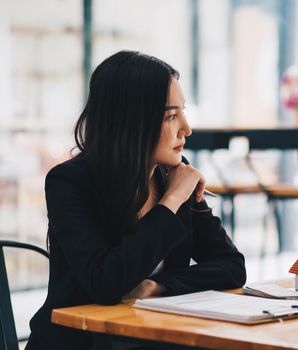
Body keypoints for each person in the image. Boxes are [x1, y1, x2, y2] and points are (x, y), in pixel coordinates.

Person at [26, 51, 247, 349]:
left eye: (183, 111)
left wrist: (160, 285)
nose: (187, 128)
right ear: (130, 122)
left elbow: (232, 267)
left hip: (149, 337)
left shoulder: (173, 176)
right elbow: (105, 283)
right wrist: (171, 202)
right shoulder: (69, 182)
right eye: (171, 116)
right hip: (83, 342)